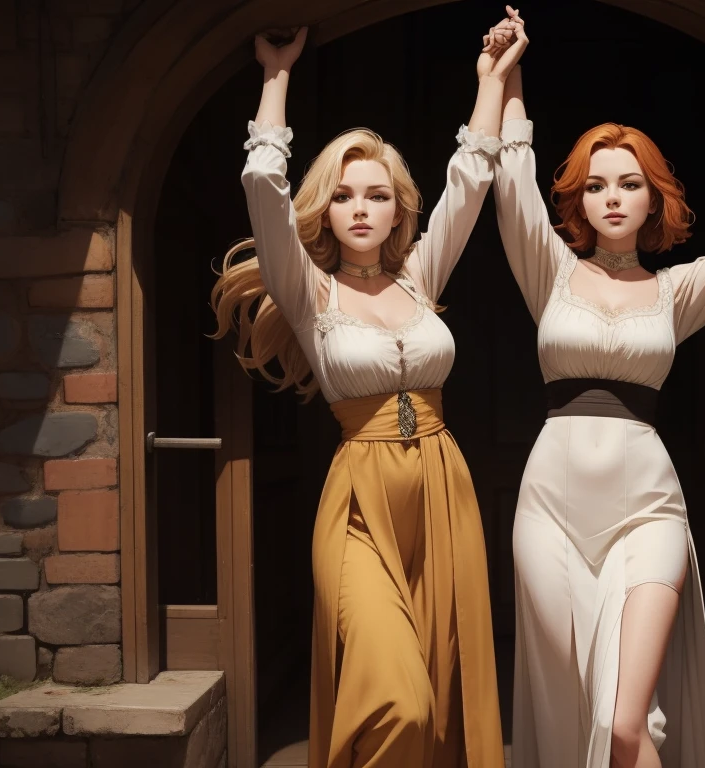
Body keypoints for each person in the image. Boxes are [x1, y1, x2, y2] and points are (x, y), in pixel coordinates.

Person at [210, 20, 526, 768]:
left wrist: (491, 76)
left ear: (397, 209)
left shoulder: (420, 278)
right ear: (325, 208)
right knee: (397, 698)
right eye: (344, 195)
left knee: (441, 703)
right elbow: (263, 186)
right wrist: (276, 75)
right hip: (357, 505)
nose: (359, 207)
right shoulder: (308, 292)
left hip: (444, 495)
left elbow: (472, 176)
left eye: (376, 195)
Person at [490, 9, 705, 767]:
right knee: (579, 707)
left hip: (649, 509)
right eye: (594, 186)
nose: (611, 197)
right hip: (549, 511)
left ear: (653, 198)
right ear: (578, 202)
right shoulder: (549, 271)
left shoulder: (676, 293)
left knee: (626, 723)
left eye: (628, 184)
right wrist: (512, 72)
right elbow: (512, 181)